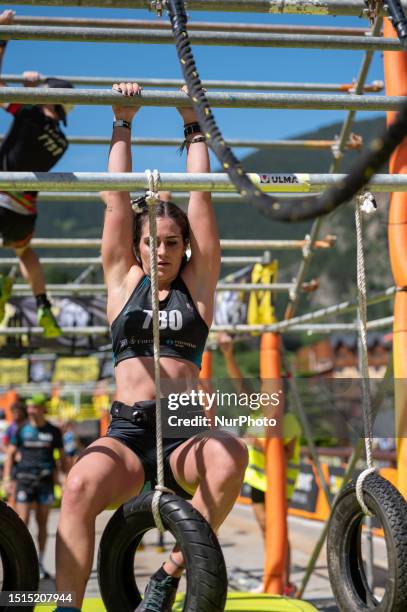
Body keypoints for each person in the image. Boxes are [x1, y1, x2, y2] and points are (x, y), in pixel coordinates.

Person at [53, 82, 248, 612]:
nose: (161, 251)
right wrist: (123, 120)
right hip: (129, 431)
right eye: (151, 242)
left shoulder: (197, 287)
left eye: (171, 242)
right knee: (77, 489)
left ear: (185, 248)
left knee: (232, 455)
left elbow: (201, 194)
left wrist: (191, 119)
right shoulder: (122, 282)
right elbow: (116, 200)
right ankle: (64, 605)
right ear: (137, 246)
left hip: (184, 433)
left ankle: (168, 574)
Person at [0, 9, 74, 337]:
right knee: (24, 252)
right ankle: (43, 303)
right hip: (26, 213)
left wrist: (3, 37)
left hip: (2, 197)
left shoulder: (30, 114)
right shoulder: (62, 141)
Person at [217, 332, 302, 595]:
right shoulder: (257, 409)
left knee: (276, 532)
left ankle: (283, 581)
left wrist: (255, 442)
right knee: (267, 531)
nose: (263, 390)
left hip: (277, 485)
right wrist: (228, 355)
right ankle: (276, 577)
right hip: (257, 481)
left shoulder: (287, 421)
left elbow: (284, 453)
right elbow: (239, 385)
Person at [3, 393, 68, 579]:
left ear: (42, 408)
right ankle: (22, 562)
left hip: (45, 482)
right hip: (24, 480)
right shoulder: (21, 430)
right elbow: (10, 455)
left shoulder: (53, 431)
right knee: (22, 522)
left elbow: (63, 458)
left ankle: (39, 562)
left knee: (42, 523)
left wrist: (65, 479)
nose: (30, 410)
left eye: (34, 407)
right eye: (29, 407)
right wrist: (8, 479)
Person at [3, 399, 28, 509]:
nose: (15, 415)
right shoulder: (10, 428)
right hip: (14, 465)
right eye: (13, 412)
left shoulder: (29, 426)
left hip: (27, 465)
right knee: (12, 492)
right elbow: (4, 444)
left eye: (17, 412)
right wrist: (12, 453)